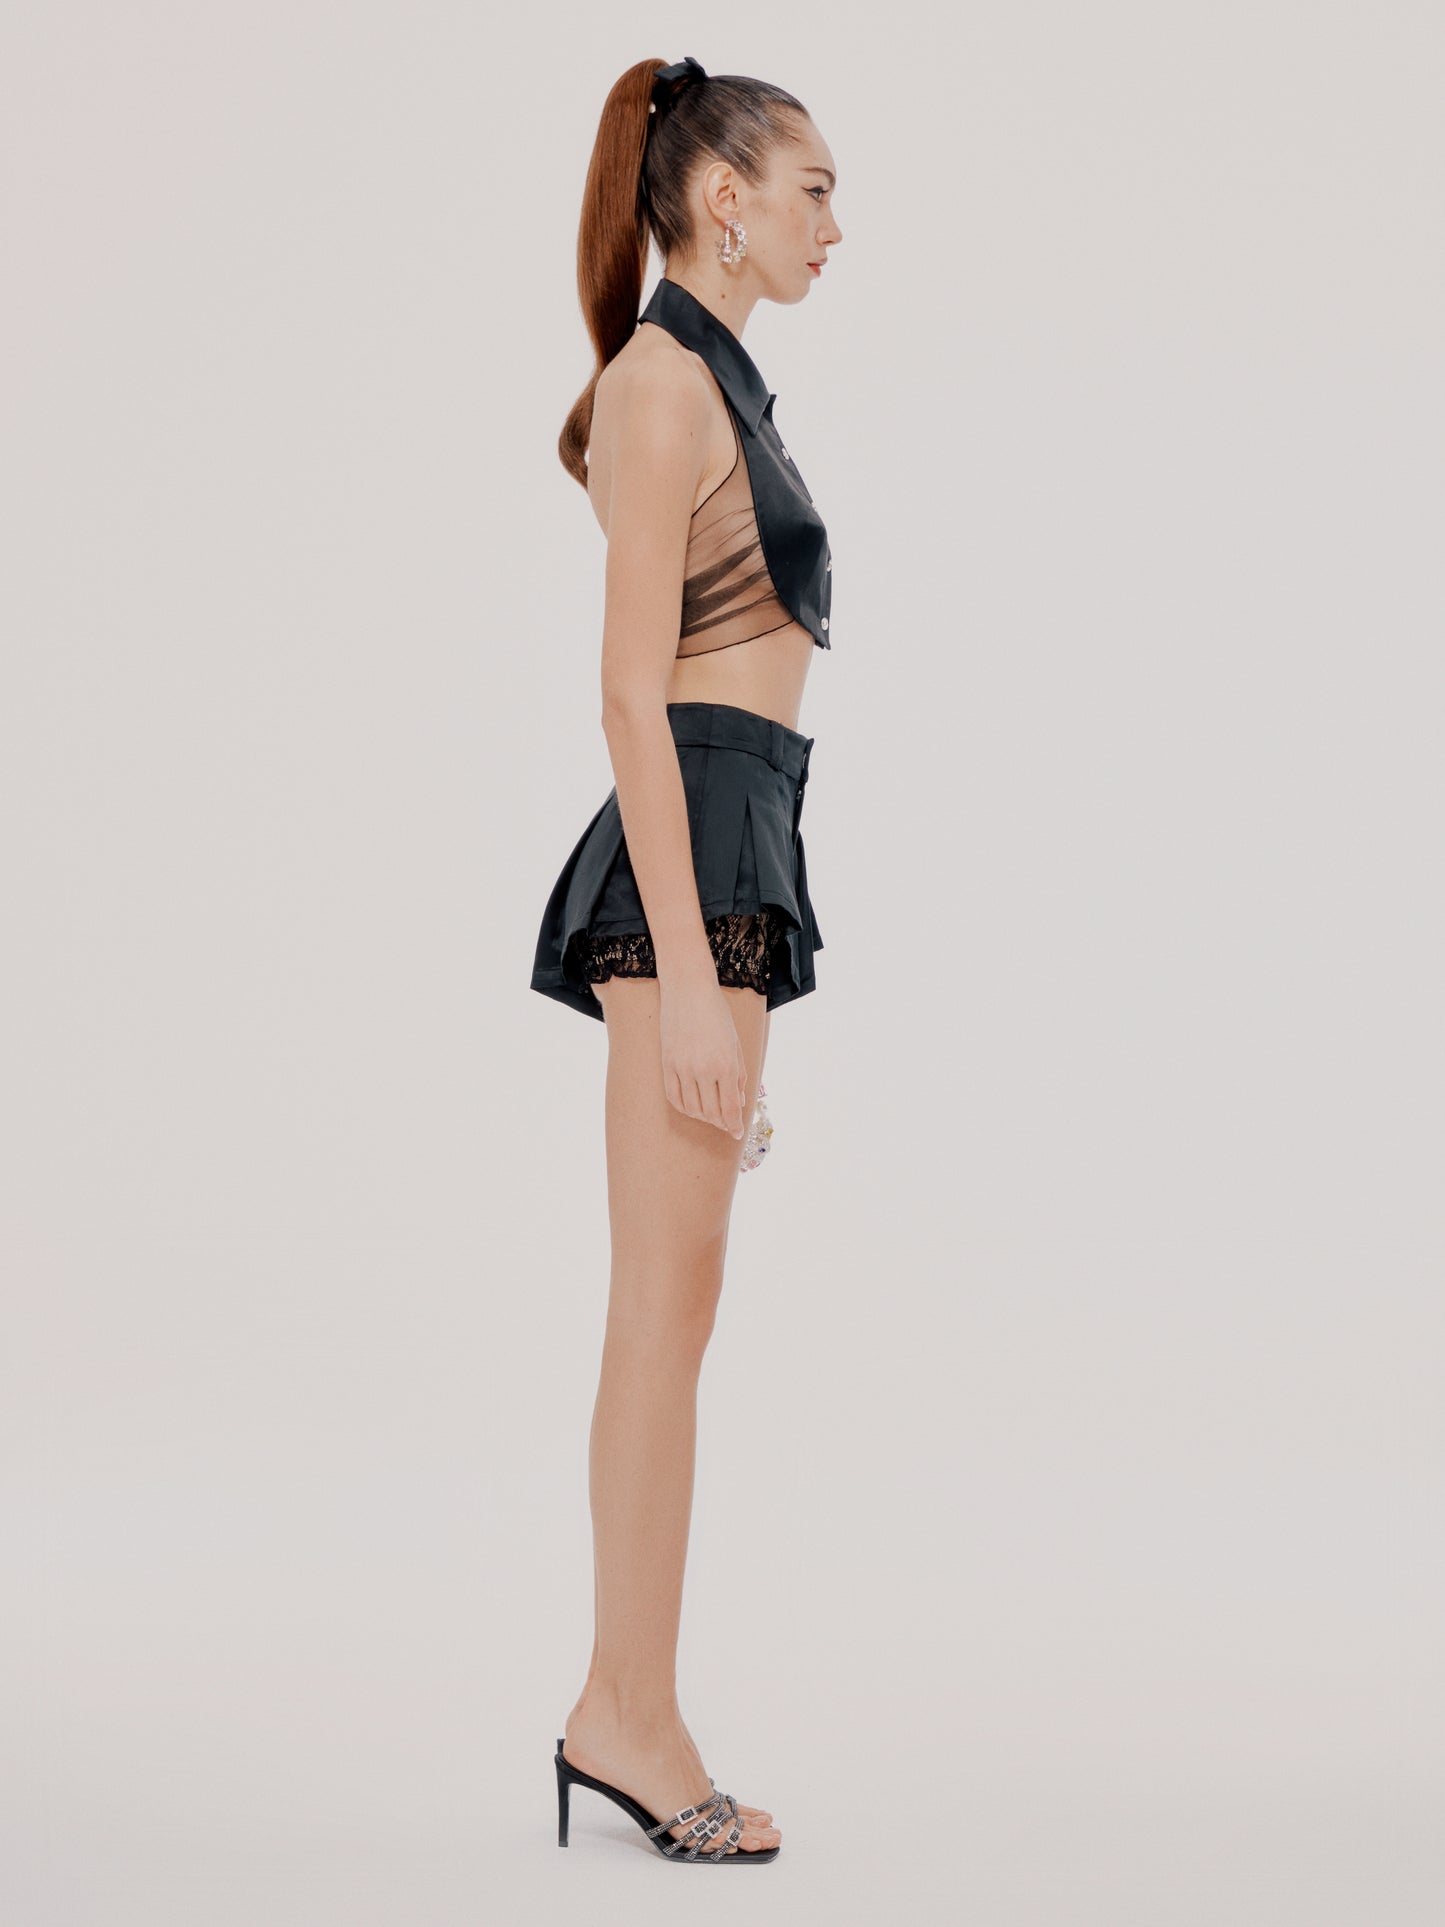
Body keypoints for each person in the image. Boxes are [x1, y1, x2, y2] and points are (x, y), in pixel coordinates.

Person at [532, 55, 842, 1865]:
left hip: (737, 835)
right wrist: (690, 981)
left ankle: (621, 1704)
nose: (830, 225)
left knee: (680, 1301)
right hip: (693, 849)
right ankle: (625, 1718)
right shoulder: (660, 387)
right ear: (722, 197)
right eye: (812, 188)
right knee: (661, 1306)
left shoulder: (712, 381)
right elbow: (627, 698)